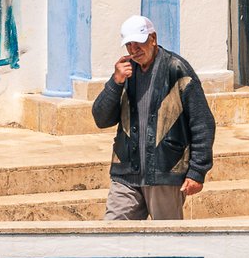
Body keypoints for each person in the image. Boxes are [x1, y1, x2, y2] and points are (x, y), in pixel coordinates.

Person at [91, 15, 216, 221]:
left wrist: (197, 171)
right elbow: (101, 119)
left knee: (166, 236)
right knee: (113, 231)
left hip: (165, 172)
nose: (134, 50)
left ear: (153, 38)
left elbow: (202, 123)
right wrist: (115, 82)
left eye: (138, 43)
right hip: (126, 173)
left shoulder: (177, 69)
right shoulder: (125, 72)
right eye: (129, 45)